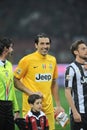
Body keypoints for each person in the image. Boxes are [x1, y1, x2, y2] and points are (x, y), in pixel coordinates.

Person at [14, 33, 64, 130]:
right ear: (36, 45)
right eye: (42, 44)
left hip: (48, 108)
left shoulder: (52, 60)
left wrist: (58, 105)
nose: (45, 46)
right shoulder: (27, 60)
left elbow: (53, 83)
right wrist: (32, 94)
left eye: (47, 44)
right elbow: (15, 80)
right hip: (31, 107)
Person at [65, 40, 87, 130]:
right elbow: (67, 91)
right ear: (76, 52)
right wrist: (74, 112)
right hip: (79, 113)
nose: (86, 50)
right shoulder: (71, 69)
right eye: (83, 49)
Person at [0, 37, 20, 130]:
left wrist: (16, 108)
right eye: (11, 47)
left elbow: (11, 88)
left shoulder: (9, 64)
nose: (12, 50)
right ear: (5, 48)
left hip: (8, 106)